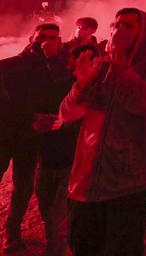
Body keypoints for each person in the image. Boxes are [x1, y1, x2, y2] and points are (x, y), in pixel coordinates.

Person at [59, 8, 146, 255]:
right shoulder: (100, 64)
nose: (120, 30)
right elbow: (68, 114)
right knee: (82, 247)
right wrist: (82, 84)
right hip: (84, 182)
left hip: (129, 183)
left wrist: (124, 72)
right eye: (117, 24)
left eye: (129, 26)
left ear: (145, 32)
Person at [0, 23, 67, 253]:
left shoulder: (54, 69)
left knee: (24, 187)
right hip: (3, 135)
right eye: (42, 37)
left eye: (53, 38)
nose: (46, 41)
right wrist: (32, 117)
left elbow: (62, 97)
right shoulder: (8, 66)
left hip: (29, 139)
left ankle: (12, 232)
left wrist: (53, 60)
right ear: (32, 38)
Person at [33, 44, 97, 256]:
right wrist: (37, 120)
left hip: (72, 161)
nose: (70, 65)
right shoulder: (58, 83)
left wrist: (65, 124)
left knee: (57, 220)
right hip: (47, 157)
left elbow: (92, 124)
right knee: (46, 211)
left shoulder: (98, 90)